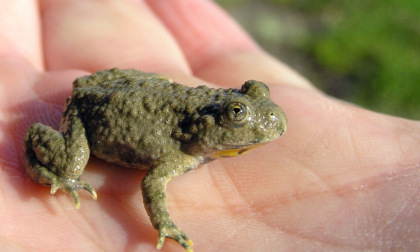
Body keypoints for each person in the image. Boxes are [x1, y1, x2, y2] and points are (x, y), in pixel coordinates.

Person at [1, 0, 419, 251]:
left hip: (131, 89)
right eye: (237, 116)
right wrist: (163, 225)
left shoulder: (199, 132)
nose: (265, 118)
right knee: (72, 166)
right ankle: (41, 164)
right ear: (212, 124)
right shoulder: (177, 155)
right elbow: (152, 183)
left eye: (251, 101)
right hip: (92, 109)